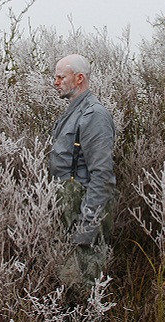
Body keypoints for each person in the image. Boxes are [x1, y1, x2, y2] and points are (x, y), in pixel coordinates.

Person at [49, 54, 117, 291]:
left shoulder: (94, 115)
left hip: (83, 210)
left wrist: (87, 225)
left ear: (79, 78)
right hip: (67, 207)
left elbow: (102, 176)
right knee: (66, 282)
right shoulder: (73, 111)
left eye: (60, 77)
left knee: (83, 286)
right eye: (55, 77)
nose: (55, 82)